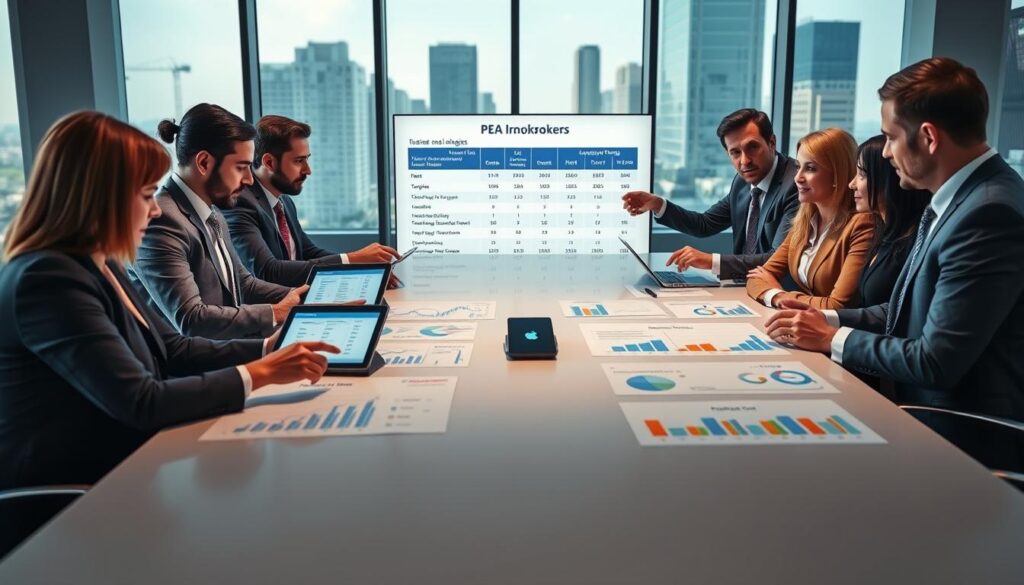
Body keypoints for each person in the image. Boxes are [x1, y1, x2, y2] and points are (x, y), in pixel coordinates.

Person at [0, 111, 338, 490]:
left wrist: (267, 348)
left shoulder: (100, 263)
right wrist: (262, 373)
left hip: (131, 471)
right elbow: (141, 401)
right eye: (146, 194)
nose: (156, 208)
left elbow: (173, 349)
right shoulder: (47, 280)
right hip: (72, 501)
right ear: (98, 197)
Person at [765, 57, 1024, 425]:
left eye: (890, 138)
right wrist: (825, 317)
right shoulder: (959, 198)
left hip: (959, 434)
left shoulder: (987, 213)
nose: (885, 153)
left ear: (929, 138)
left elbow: (935, 361)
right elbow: (904, 307)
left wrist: (830, 339)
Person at [128, 104, 304, 340]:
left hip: (232, 354)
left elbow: (244, 284)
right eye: (241, 167)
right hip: (196, 370)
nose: (250, 180)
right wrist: (277, 311)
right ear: (203, 163)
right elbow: (192, 320)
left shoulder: (214, 213)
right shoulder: (160, 221)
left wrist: (306, 298)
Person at [222, 114, 401, 287]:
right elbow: (268, 271)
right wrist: (352, 259)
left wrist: (365, 270)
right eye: (299, 161)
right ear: (269, 162)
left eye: (307, 159)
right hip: (272, 311)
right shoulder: (241, 202)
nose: (308, 170)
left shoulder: (283, 201)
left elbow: (308, 253)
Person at [622, 108, 799, 279]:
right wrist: (657, 204)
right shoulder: (742, 182)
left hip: (781, 293)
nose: (744, 161)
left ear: (772, 142)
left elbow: (776, 260)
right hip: (745, 288)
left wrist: (711, 261)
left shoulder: (796, 185)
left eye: (752, 147)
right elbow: (704, 224)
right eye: (735, 152)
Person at [745, 128, 874, 310]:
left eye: (811, 168)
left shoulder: (862, 224)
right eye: (798, 167)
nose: (798, 177)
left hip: (837, 331)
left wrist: (782, 296)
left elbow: (837, 305)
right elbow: (756, 278)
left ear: (838, 174)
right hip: (805, 326)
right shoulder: (805, 220)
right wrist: (776, 296)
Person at [850, 135, 931, 307]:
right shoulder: (884, 230)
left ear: (888, 180)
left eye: (862, 175)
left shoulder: (913, 242)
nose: (852, 184)